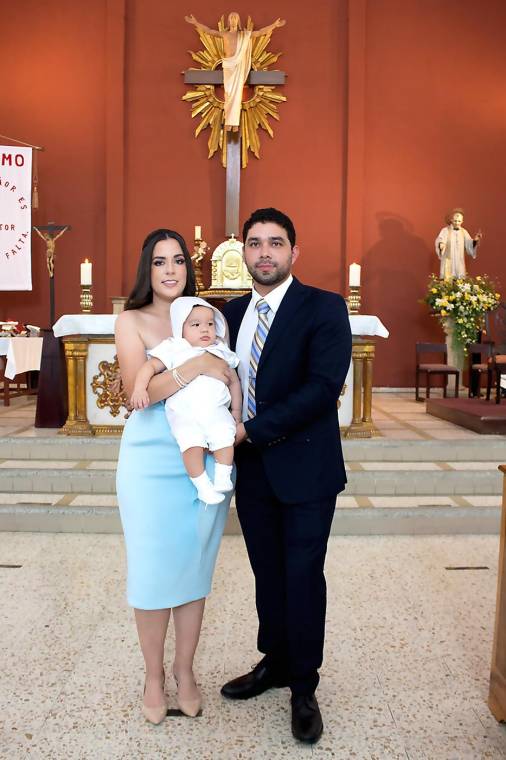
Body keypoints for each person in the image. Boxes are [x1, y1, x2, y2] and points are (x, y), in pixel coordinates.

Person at [221, 208, 352, 744]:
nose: (265, 253)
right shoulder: (227, 313)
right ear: (243, 253)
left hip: (305, 469)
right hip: (252, 473)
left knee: (302, 576)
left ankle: (303, 684)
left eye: (276, 243)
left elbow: (322, 389)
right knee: (267, 573)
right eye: (255, 244)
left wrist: (248, 430)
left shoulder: (323, 308)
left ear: (294, 252)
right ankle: (274, 661)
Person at [115, 229, 233, 724]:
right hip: (149, 459)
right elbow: (134, 392)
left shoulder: (204, 318)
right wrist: (198, 364)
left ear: (189, 267)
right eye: (160, 261)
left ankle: (185, 672)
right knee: (150, 570)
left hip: (203, 458)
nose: (170, 269)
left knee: (192, 569)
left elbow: (230, 377)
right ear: (148, 269)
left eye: (178, 260)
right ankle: (152, 676)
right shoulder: (131, 320)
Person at [130, 296, 242, 505]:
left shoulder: (220, 351)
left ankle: (222, 476)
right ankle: (202, 485)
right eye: (196, 325)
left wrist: (236, 412)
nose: (205, 329)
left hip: (216, 410)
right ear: (180, 328)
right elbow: (149, 367)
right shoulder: (174, 347)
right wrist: (139, 388)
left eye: (210, 324)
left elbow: (234, 381)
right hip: (184, 412)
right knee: (191, 443)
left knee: (225, 436)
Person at [185, 12, 285, 130]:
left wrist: (274, 25)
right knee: (228, 94)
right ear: (228, 21)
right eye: (231, 17)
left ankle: (234, 124)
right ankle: (228, 121)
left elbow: (259, 33)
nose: (233, 20)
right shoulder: (225, 34)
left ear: (238, 21)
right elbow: (209, 31)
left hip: (238, 66)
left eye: (235, 18)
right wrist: (195, 23)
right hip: (228, 66)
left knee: (237, 95)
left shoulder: (244, 35)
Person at [435, 208, 482, 280]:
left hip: (459, 259)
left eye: (459, 221)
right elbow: (440, 239)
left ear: (462, 221)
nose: (457, 223)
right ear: (451, 220)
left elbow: (469, 243)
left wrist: (475, 241)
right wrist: (441, 244)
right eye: (455, 221)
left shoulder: (464, 232)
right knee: (448, 278)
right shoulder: (445, 230)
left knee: (459, 278)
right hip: (448, 259)